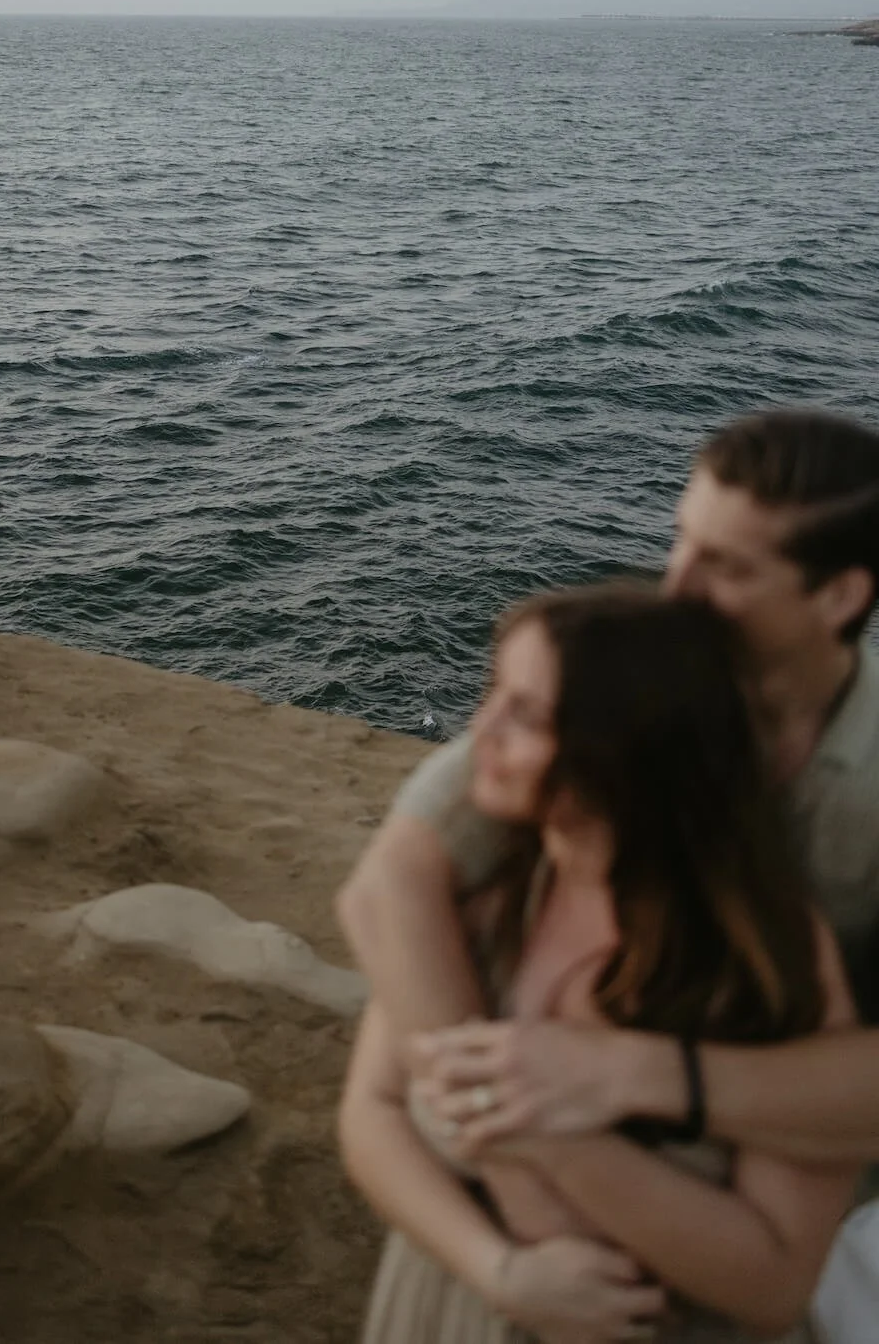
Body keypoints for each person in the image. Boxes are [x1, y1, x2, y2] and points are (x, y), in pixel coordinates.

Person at [337, 408, 879, 1341]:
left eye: (728, 567)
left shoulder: (802, 924)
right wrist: (519, 1172)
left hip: (775, 1190)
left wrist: (628, 1076)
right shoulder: (617, 698)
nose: (678, 585)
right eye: (681, 539)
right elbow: (388, 890)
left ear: (839, 596)